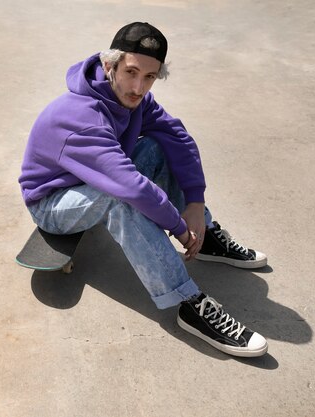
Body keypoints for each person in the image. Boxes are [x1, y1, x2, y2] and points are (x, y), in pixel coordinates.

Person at [18, 22, 268, 357]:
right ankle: (187, 302)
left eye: (149, 77)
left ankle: (205, 235)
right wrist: (178, 227)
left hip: (94, 179)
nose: (138, 87)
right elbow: (129, 187)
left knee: (159, 144)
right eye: (131, 72)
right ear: (110, 66)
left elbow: (177, 137)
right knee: (118, 198)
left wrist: (195, 203)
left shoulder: (133, 99)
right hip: (53, 201)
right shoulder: (78, 117)